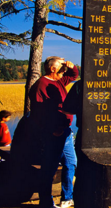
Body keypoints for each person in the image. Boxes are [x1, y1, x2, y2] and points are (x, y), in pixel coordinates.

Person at [29, 56, 78, 208]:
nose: (64, 70)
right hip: (53, 133)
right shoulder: (41, 85)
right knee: (49, 168)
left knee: (71, 163)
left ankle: (67, 198)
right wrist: (53, 130)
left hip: (65, 131)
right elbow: (39, 113)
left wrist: (71, 66)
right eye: (62, 67)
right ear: (53, 69)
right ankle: (46, 202)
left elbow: (74, 75)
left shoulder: (58, 81)